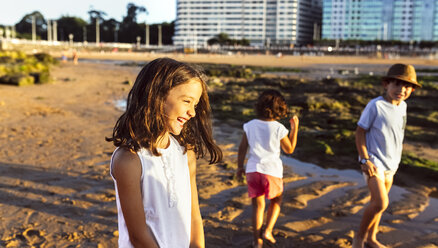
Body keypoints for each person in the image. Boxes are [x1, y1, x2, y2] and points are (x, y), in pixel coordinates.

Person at [106, 58, 222, 248]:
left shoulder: (186, 153)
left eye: (196, 104)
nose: (192, 112)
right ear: (156, 96)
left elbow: (194, 215)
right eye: (187, 101)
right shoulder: (129, 160)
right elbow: (138, 236)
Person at [352, 64, 421, 248]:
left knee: (377, 205)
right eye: (396, 84)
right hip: (374, 162)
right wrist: (364, 159)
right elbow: (359, 132)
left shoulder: (403, 106)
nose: (401, 90)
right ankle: (359, 238)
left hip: (392, 164)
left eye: (407, 86)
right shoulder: (376, 106)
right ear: (386, 84)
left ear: (412, 89)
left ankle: (371, 237)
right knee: (381, 203)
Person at [236, 89, 299, 248]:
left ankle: (256, 240)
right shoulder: (278, 128)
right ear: (278, 109)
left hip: (252, 170)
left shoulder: (249, 125)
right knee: (276, 200)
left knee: (258, 206)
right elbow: (289, 149)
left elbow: (242, 148)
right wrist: (295, 128)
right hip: (272, 171)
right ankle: (268, 231)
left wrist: (239, 167)